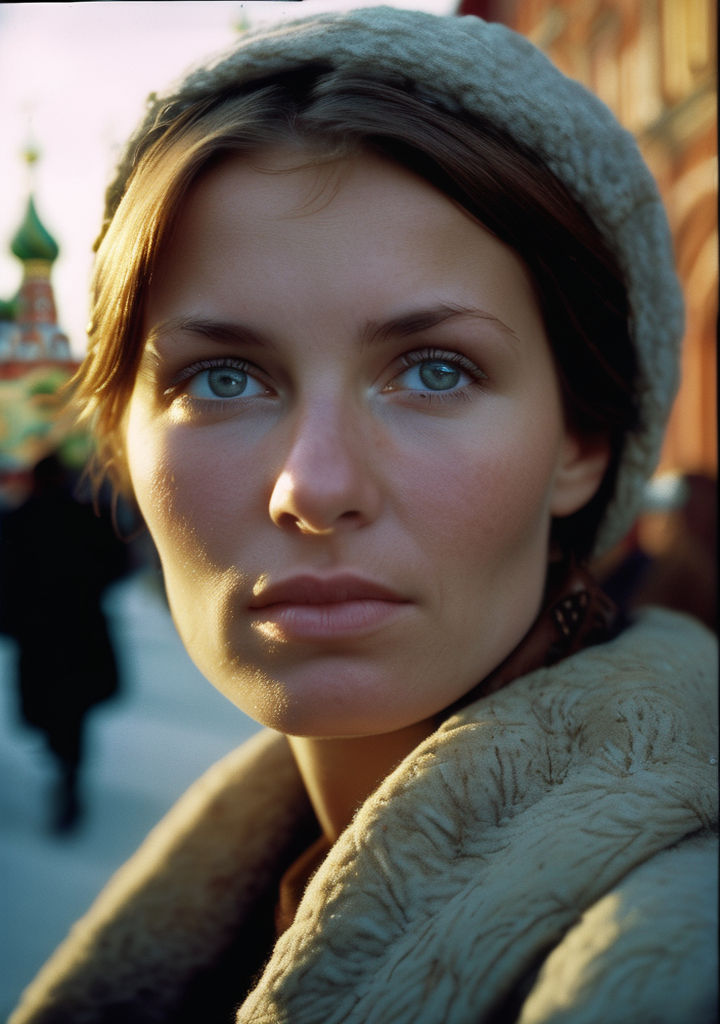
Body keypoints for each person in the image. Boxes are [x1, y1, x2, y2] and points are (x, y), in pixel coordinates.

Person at [9, 6, 716, 1022]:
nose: (315, 485)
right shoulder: (258, 884)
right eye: (221, 378)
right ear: (119, 435)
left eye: (435, 370)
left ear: (582, 444)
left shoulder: (671, 960)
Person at [0, 453, 127, 832]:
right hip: (81, 632)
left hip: (38, 638)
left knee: (49, 712)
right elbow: (115, 564)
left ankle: (63, 765)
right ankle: (68, 771)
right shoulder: (89, 516)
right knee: (75, 713)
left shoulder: (16, 520)